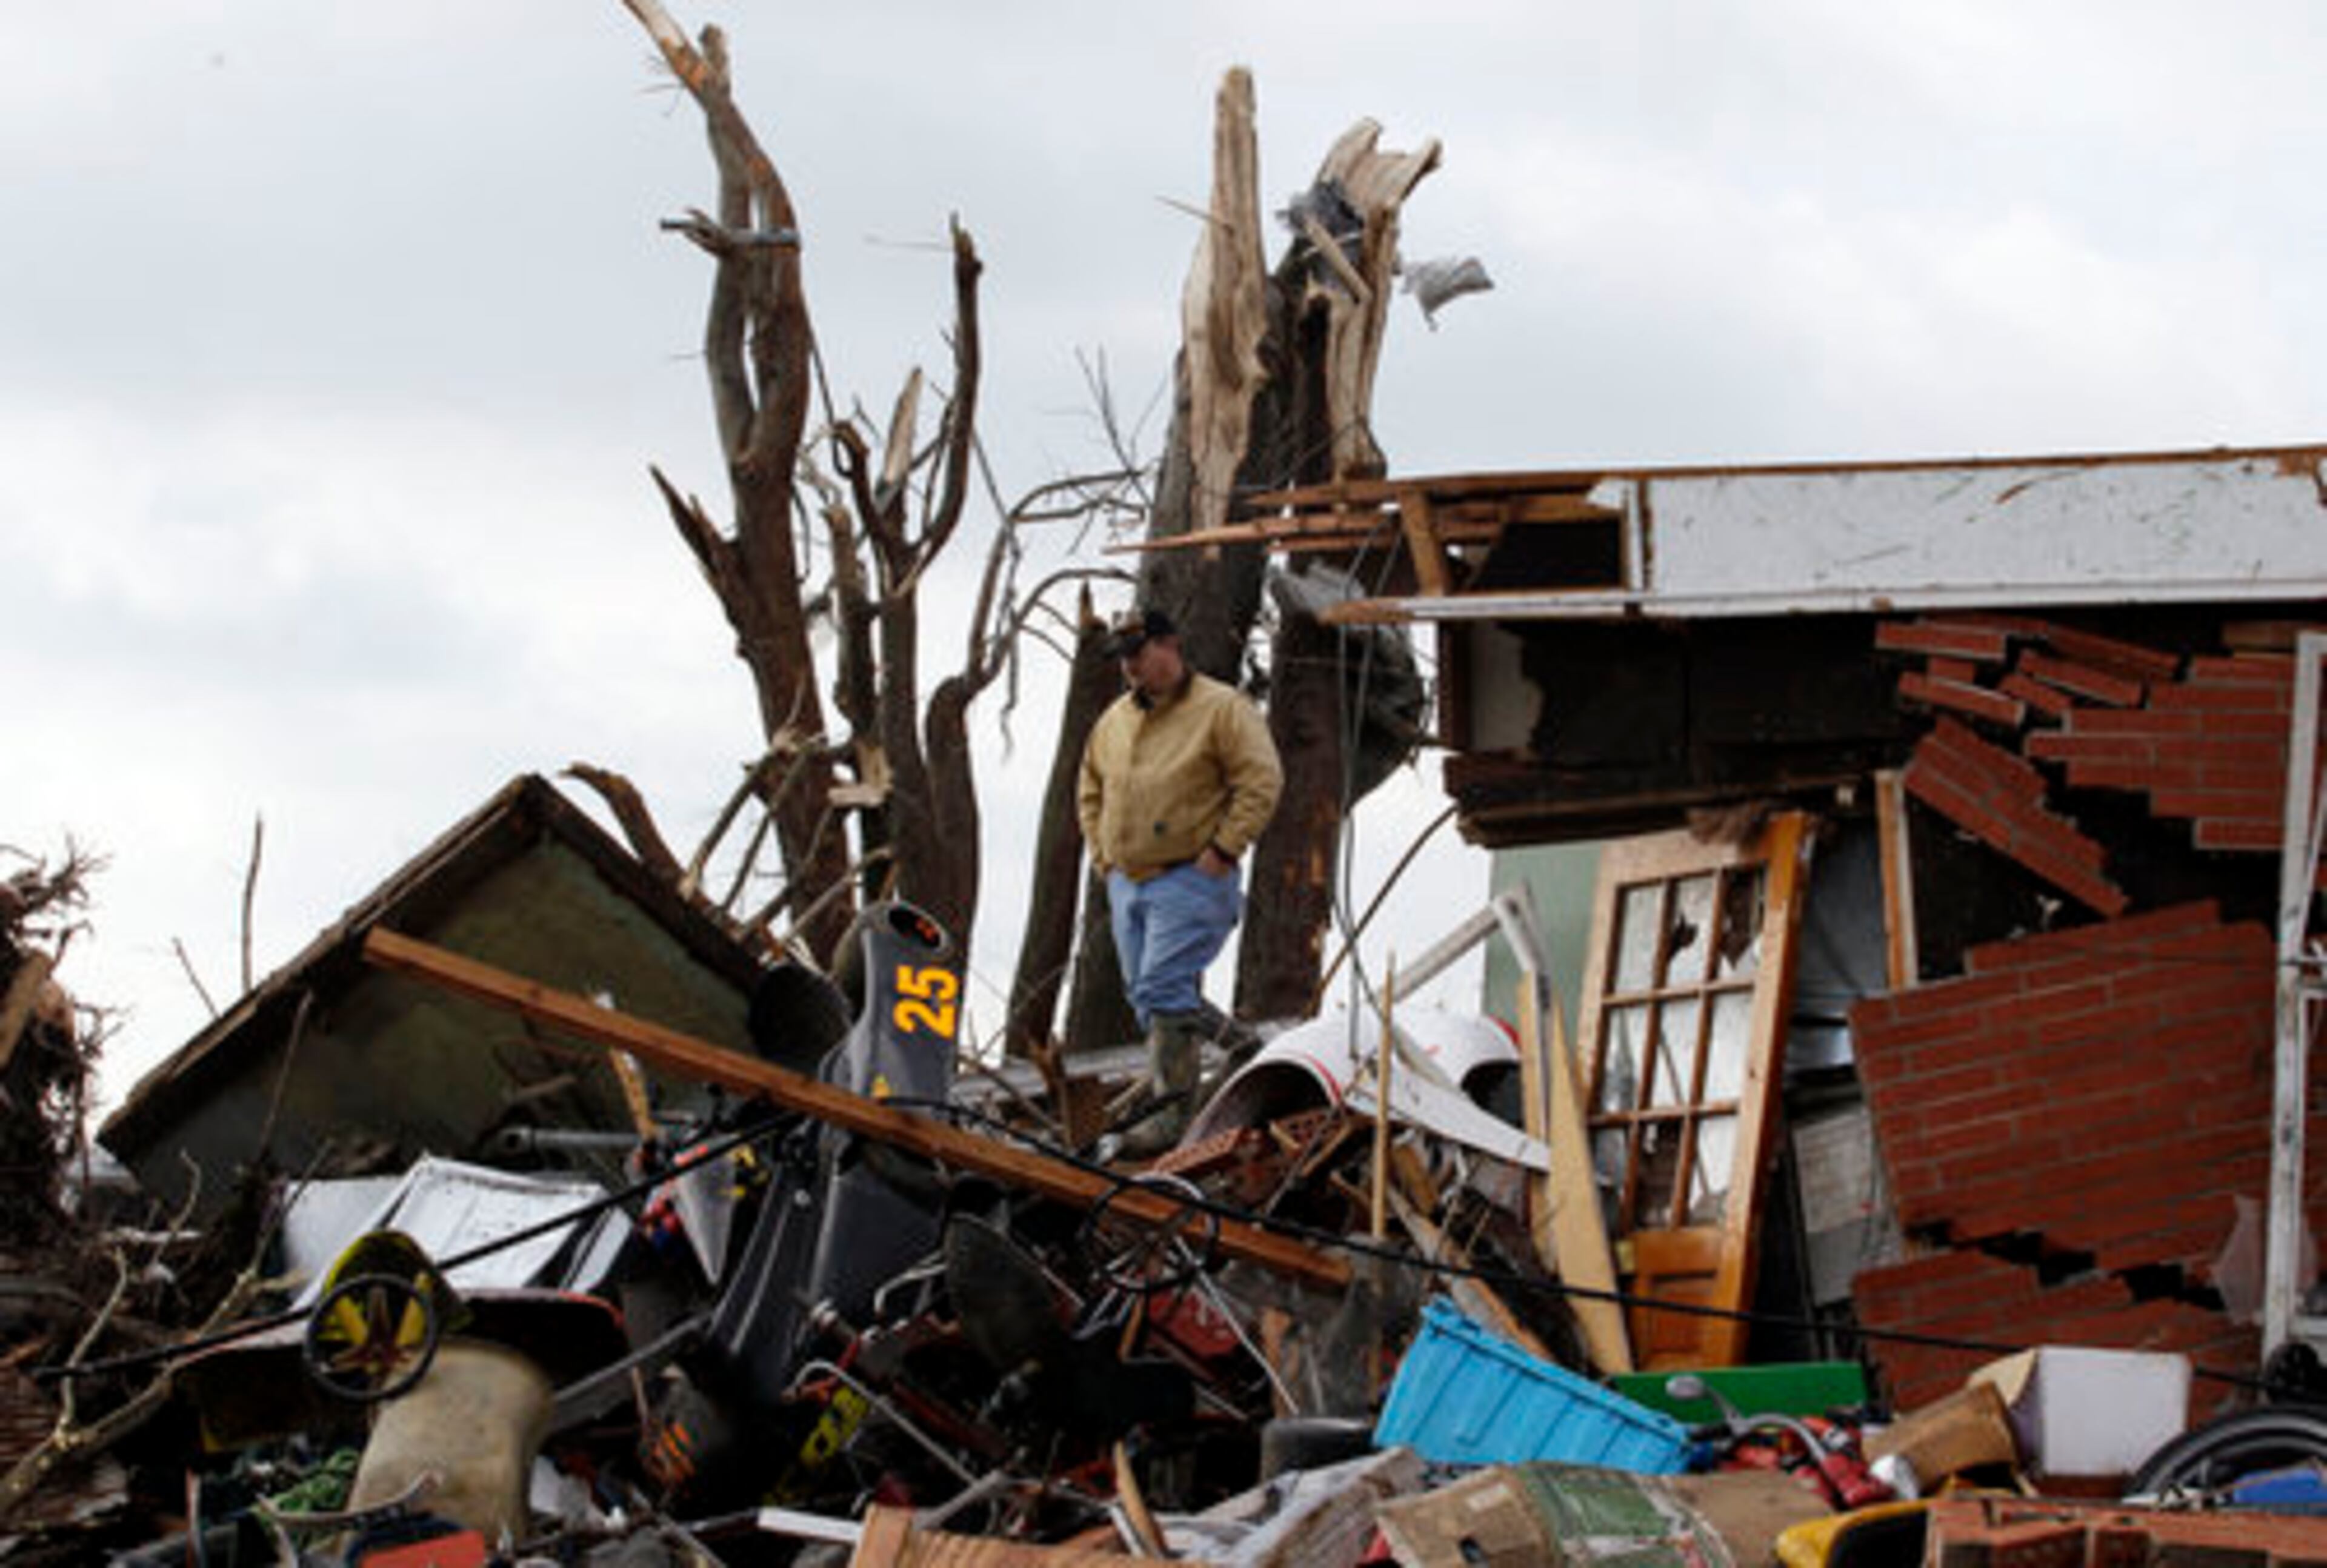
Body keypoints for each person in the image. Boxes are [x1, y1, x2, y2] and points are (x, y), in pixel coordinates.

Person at [1077, 606, 1283, 1154]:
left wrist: (1223, 851)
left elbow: (1261, 781)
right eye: (1124, 660)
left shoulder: (1222, 709)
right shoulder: (1115, 720)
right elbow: (1090, 788)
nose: (1131, 670)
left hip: (1191, 877)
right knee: (1147, 997)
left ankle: (1172, 1118)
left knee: (1162, 988)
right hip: (1129, 882)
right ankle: (1241, 1048)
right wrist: (1104, 860)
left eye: (1139, 656)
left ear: (1170, 647)